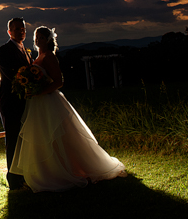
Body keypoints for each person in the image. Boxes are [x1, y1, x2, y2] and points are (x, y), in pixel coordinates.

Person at [10, 26, 127, 192]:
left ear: (48, 40)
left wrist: (40, 91)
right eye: (36, 37)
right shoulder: (37, 57)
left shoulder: (49, 56)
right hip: (37, 103)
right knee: (42, 136)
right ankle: (46, 171)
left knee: (57, 136)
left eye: (41, 38)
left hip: (48, 101)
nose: (37, 40)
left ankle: (65, 170)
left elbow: (59, 81)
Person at [0, 17, 31, 190]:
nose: (20, 31)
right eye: (16, 29)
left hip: (25, 102)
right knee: (13, 141)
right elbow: (11, 76)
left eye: (22, 28)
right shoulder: (4, 50)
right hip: (10, 102)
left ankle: (24, 175)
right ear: (9, 32)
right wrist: (28, 87)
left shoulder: (26, 51)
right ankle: (14, 180)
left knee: (23, 140)